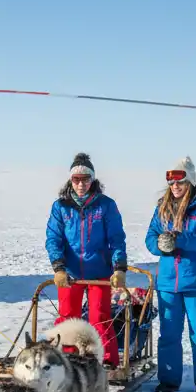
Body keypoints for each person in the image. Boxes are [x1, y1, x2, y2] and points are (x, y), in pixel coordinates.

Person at [144, 156, 196, 392]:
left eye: (180, 182)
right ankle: (169, 380)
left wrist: (180, 239)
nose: (175, 187)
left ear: (190, 182)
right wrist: (161, 245)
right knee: (168, 334)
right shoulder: (162, 208)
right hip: (168, 283)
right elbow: (150, 239)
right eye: (171, 183)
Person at [45, 153, 128, 368]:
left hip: (99, 271)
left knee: (100, 317)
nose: (81, 184)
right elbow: (54, 239)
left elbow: (116, 238)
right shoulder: (60, 207)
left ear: (92, 180)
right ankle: (66, 359)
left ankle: (106, 361)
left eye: (85, 179)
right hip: (71, 273)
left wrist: (119, 268)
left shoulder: (106, 205)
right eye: (76, 179)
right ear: (70, 181)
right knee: (67, 317)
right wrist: (58, 267)